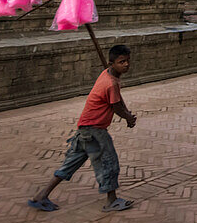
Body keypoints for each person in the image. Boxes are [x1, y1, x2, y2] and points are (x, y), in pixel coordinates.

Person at [28, 44, 137, 213]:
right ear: (111, 63)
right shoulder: (110, 83)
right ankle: (112, 201)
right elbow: (116, 107)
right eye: (122, 62)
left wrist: (127, 115)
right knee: (109, 162)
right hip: (95, 130)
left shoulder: (108, 75)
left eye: (128, 61)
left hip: (84, 128)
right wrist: (128, 117)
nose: (126, 65)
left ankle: (42, 195)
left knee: (71, 164)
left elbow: (116, 101)